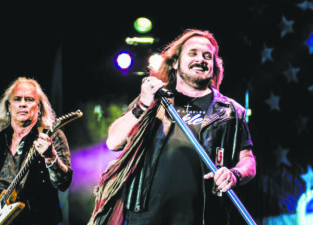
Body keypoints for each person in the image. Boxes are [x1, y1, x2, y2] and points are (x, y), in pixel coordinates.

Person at [88, 29, 256, 225]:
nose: (200, 59)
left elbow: (248, 161)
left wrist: (234, 174)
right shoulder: (154, 100)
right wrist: (142, 105)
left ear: (214, 66)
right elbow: (113, 142)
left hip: (205, 218)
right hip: (147, 217)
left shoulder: (230, 111)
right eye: (192, 53)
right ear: (175, 62)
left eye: (207, 56)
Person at [0, 77, 73, 225]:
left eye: (29, 99)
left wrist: (51, 157)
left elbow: (63, 183)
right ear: (9, 107)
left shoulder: (52, 136)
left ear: (39, 107)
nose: (23, 104)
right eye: (17, 99)